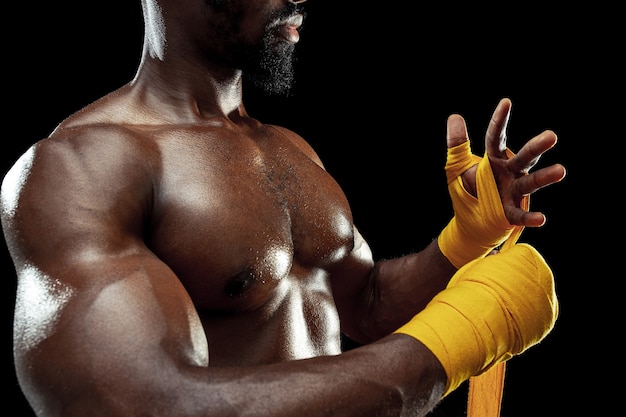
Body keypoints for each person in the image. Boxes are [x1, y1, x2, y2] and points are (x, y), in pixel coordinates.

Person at [1, 0, 566, 416]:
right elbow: (141, 405)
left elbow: (364, 305)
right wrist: (451, 344)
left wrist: (459, 247)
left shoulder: (287, 148)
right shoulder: (81, 168)